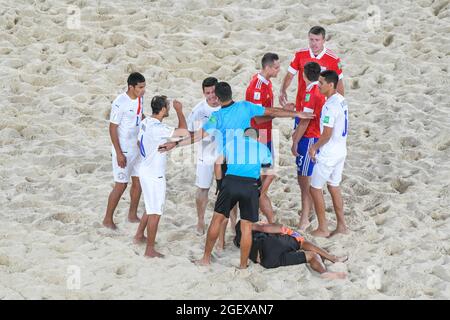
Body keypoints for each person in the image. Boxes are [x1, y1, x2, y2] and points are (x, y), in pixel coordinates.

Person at [159, 82, 314, 268]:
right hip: (249, 164)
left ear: (217, 97)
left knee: (219, 214)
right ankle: (241, 261)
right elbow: (271, 112)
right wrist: (296, 114)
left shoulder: (216, 116)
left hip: (227, 163)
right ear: (232, 93)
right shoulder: (245, 107)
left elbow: (197, 136)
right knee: (248, 218)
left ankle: (209, 256)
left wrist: (175, 145)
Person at [198, 127, 273, 269]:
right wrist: (261, 191)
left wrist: (220, 184)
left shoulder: (233, 143)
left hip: (230, 182)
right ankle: (243, 265)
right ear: (257, 138)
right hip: (250, 186)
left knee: (217, 220)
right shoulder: (263, 148)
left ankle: (206, 258)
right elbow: (270, 174)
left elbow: (218, 164)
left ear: (243, 136)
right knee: (246, 228)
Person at [133, 96, 189, 257]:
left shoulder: (145, 122)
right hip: (154, 174)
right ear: (163, 109)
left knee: (150, 206)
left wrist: (153, 149)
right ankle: (150, 250)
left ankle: (139, 236)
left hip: (144, 168)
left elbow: (139, 143)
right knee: (156, 212)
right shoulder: (158, 128)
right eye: (169, 107)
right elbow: (183, 132)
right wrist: (180, 111)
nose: (170, 109)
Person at [309, 70, 349, 238]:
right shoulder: (341, 99)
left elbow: (326, 134)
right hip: (341, 150)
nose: (318, 86)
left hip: (329, 153)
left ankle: (323, 228)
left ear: (331, 85)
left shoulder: (330, 106)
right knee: (334, 186)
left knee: (315, 188)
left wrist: (314, 148)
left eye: (321, 83)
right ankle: (341, 226)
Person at [103, 72, 146, 229]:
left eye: (144, 87)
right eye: (140, 87)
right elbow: (112, 128)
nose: (143, 90)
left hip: (137, 148)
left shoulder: (140, 98)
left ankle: (132, 214)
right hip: (124, 150)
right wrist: (119, 153)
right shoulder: (120, 102)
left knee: (138, 181)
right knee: (121, 185)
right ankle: (107, 219)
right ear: (131, 87)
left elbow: (140, 116)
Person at [233, 220, 347, 279]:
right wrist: (267, 225)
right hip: (270, 244)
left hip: (266, 261)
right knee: (301, 241)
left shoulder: (239, 240)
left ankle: (325, 273)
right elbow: (277, 229)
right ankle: (328, 265)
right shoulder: (246, 224)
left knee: (311, 255)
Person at [245, 52, 281, 224]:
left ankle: (260, 201)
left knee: (267, 175)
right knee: (266, 175)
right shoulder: (258, 87)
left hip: (264, 133)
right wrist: (279, 113)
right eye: (276, 67)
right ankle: (258, 199)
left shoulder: (265, 81)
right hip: (259, 135)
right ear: (267, 67)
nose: (278, 70)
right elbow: (259, 117)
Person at [291, 62, 326, 230]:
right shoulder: (318, 89)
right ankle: (308, 211)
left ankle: (305, 218)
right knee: (305, 178)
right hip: (313, 136)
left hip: (309, 138)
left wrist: (295, 140)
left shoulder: (311, 92)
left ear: (303, 75)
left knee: (304, 180)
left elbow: (305, 121)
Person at [279, 25, 344, 111]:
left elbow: (339, 84)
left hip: (323, 106)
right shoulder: (300, 55)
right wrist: (282, 91)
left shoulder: (333, 59)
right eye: (311, 40)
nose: (314, 43)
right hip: (302, 103)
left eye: (317, 40)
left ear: (324, 40)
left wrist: (339, 105)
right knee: (301, 124)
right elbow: (290, 75)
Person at [186, 77, 222, 234]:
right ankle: (200, 221)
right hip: (206, 152)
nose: (211, 96)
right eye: (208, 93)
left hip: (224, 153)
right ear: (203, 93)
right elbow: (188, 131)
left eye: (214, 91)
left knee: (228, 190)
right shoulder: (198, 110)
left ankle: (233, 223)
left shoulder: (227, 105)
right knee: (202, 188)